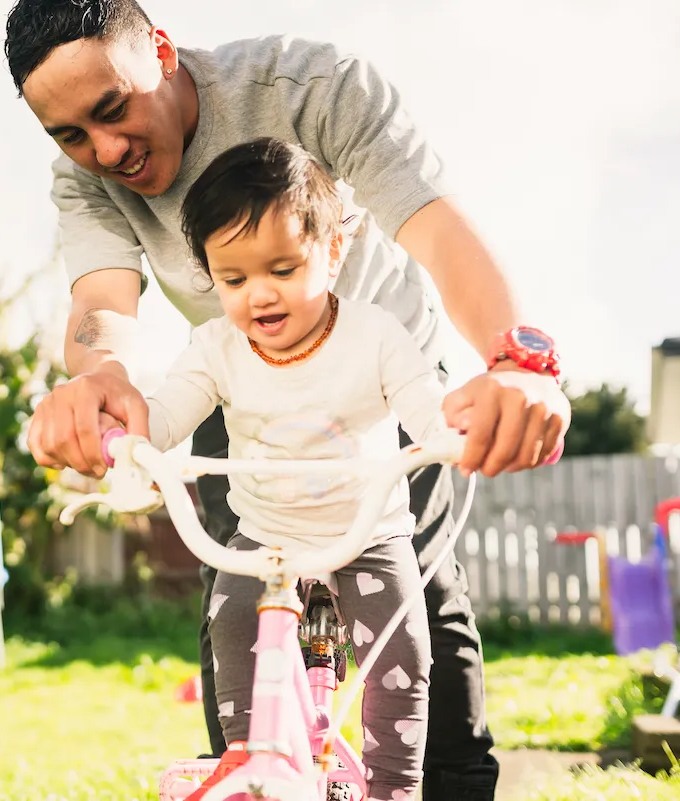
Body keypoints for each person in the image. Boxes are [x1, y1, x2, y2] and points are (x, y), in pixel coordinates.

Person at [4, 2, 570, 798]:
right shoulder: (86, 175)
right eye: (69, 134)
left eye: (112, 109)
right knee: (235, 600)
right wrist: (98, 379)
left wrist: (514, 362)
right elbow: (103, 301)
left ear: (161, 53)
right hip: (240, 387)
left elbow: (436, 229)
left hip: (380, 386)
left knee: (418, 601)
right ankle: (256, 771)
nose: (104, 149)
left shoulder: (312, 87)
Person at [146, 137, 450, 800]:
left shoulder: (373, 334)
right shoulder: (216, 347)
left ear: (334, 250)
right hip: (267, 537)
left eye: (282, 268)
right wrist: (125, 440)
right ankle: (251, 767)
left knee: (403, 660)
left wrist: (452, 433)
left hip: (366, 535)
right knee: (227, 621)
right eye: (233, 279)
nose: (259, 295)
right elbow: (162, 415)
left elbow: (426, 408)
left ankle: (393, 790)